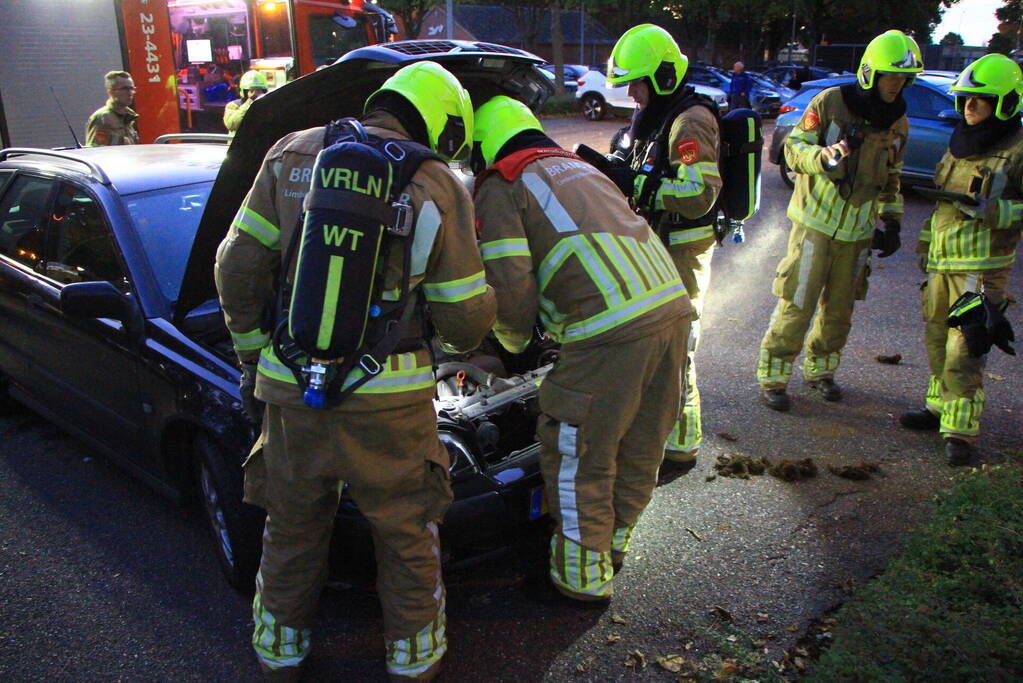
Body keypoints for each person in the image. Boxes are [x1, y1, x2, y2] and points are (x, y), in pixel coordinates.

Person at [215, 61, 495, 681]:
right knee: (406, 533)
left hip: (290, 388)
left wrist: (253, 353)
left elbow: (235, 265)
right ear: (443, 124)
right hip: (390, 401)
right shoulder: (437, 181)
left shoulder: (291, 153)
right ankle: (413, 661)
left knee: (290, 527)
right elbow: (464, 319)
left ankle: (278, 653)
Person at [471, 95, 692, 599]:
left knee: (579, 453)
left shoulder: (503, 183)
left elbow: (510, 284)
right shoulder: (582, 169)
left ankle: (581, 579)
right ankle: (614, 543)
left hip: (606, 329)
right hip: (670, 308)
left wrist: (513, 344)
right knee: (641, 440)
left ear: (483, 147)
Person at [755, 29, 921, 411]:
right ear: (870, 73)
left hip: (858, 233)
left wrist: (892, 222)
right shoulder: (831, 102)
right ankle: (774, 377)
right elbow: (794, 147)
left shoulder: (898, 121)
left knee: (840, 309)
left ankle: (822, 372)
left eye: (904, 78)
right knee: (798, 300)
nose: (898, 85)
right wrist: (824, 158)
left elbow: (892, 175)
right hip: (815, 225)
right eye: (892, 76)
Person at [607, 24, 722, 465]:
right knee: (658, 345)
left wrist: (635, 182)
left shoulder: (690, 121)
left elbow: (697, 195)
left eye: (637, 85)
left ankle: (681, 446)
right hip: (661, 245)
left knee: (679, 345)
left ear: (662, 78)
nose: (633, 95)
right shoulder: (656, 116)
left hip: (684, 249)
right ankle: (660, 435)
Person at [900, 53, 1023, 466]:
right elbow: (940, 205)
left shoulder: (1018, 147)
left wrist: (993, 211)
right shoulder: (958, 143)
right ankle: (939, 409)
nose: (968, 107)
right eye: (965, 99)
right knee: (937, 341)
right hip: (942, 263)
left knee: (965, 350)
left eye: (979, 100)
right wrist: (924, 245)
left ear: (1005, 102)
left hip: (981, 270)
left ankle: (961, 431)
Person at [85, 71, 139, 146]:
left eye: (132, 88)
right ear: (110, 92)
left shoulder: (128, 117)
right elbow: (94, 150)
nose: (130, 93)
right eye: (125, 89)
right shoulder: (102, 118)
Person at [224, 69, 269, 137]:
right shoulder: (233, 105)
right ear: (244, 91)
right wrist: (249, 102)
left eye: (258, 90)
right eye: (251, 91)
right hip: (239, 145)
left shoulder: (267, 106)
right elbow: (231, 125)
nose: (255, 93)